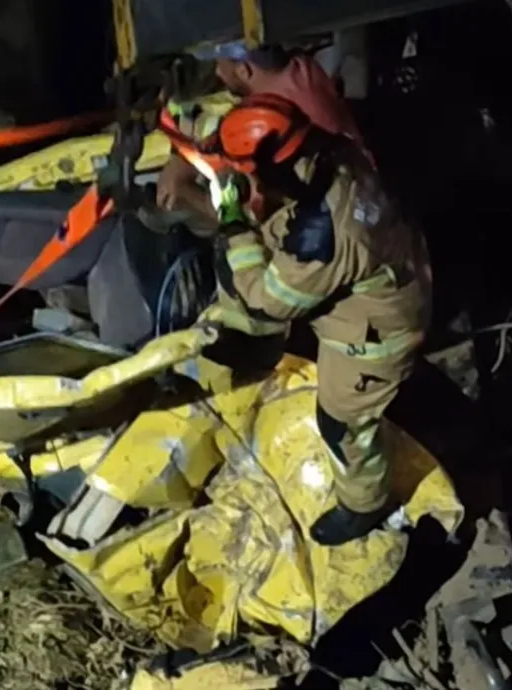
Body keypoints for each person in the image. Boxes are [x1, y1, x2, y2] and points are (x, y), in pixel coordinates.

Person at [183, 93, 431, 546]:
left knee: (342, 426)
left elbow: (270, 299)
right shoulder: (330, 151)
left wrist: (235, 224)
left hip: (375, 336)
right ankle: (255, 348)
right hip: (390, 265)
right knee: (257, 253)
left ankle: (364, 504)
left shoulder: (323, 238)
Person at [157, 39, 368, 219]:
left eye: (219, 65)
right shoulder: (297, 73)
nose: (218, 72)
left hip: (342, 210)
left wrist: (194, 198)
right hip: (350, 181)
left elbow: (257, 212)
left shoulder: (279, 117)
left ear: (244, 70)